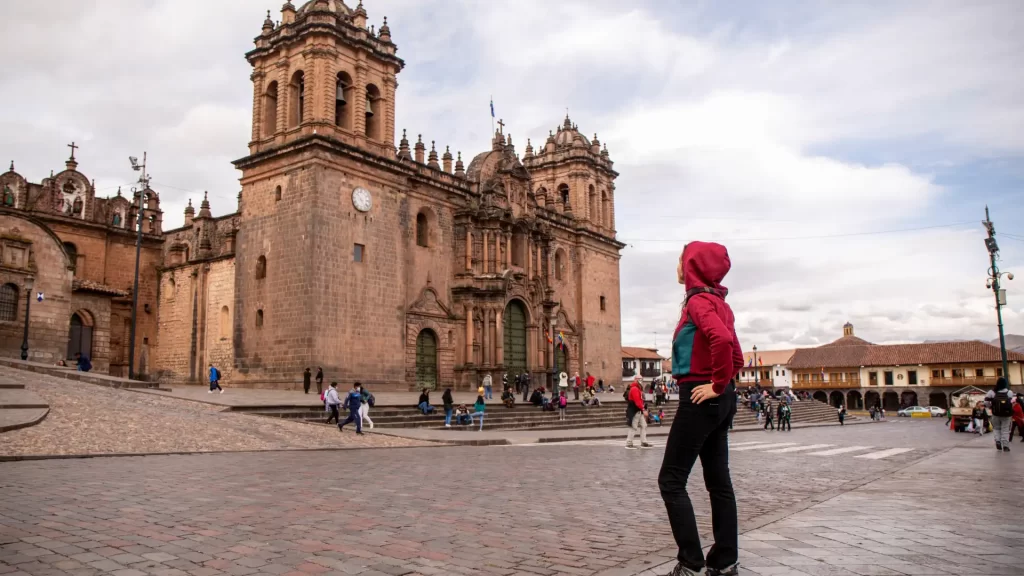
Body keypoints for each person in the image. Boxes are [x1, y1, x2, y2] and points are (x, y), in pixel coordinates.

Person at [658, 241, 743, 576]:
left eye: (680, 261)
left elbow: (722, 342)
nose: (678, 267)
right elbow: (736, 355)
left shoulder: (697, 302)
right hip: (721, 400)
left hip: (700, 396)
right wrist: (725, 386)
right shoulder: (721, 302)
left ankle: (691, 563)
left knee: (671, 480)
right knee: (718, 482)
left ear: (692, 265)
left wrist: (715, 385)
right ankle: (725, 563)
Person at [986, 378, 1013, 451]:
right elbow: (1012, 402)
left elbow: (986, 402)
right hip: (1006, 415)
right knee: (1005, 429)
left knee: (997, 428)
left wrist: (991, 407)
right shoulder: (1009, 392)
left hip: (995, 414)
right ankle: (1005, 446)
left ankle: (998, 441)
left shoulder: (991, 392)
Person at [625, 377, 651, 449]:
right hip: (635, 410)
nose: (641, 381)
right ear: (635, 380)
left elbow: (640, 401)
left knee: (644, 425)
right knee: (633, 427)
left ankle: (644, 442)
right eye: (639, 379)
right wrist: (643, 409)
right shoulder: (634, 389)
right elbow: (637, 401)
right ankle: (629, 443)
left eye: (641, 379)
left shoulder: (638, 388)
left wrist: (642, 409)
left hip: (638, 410)